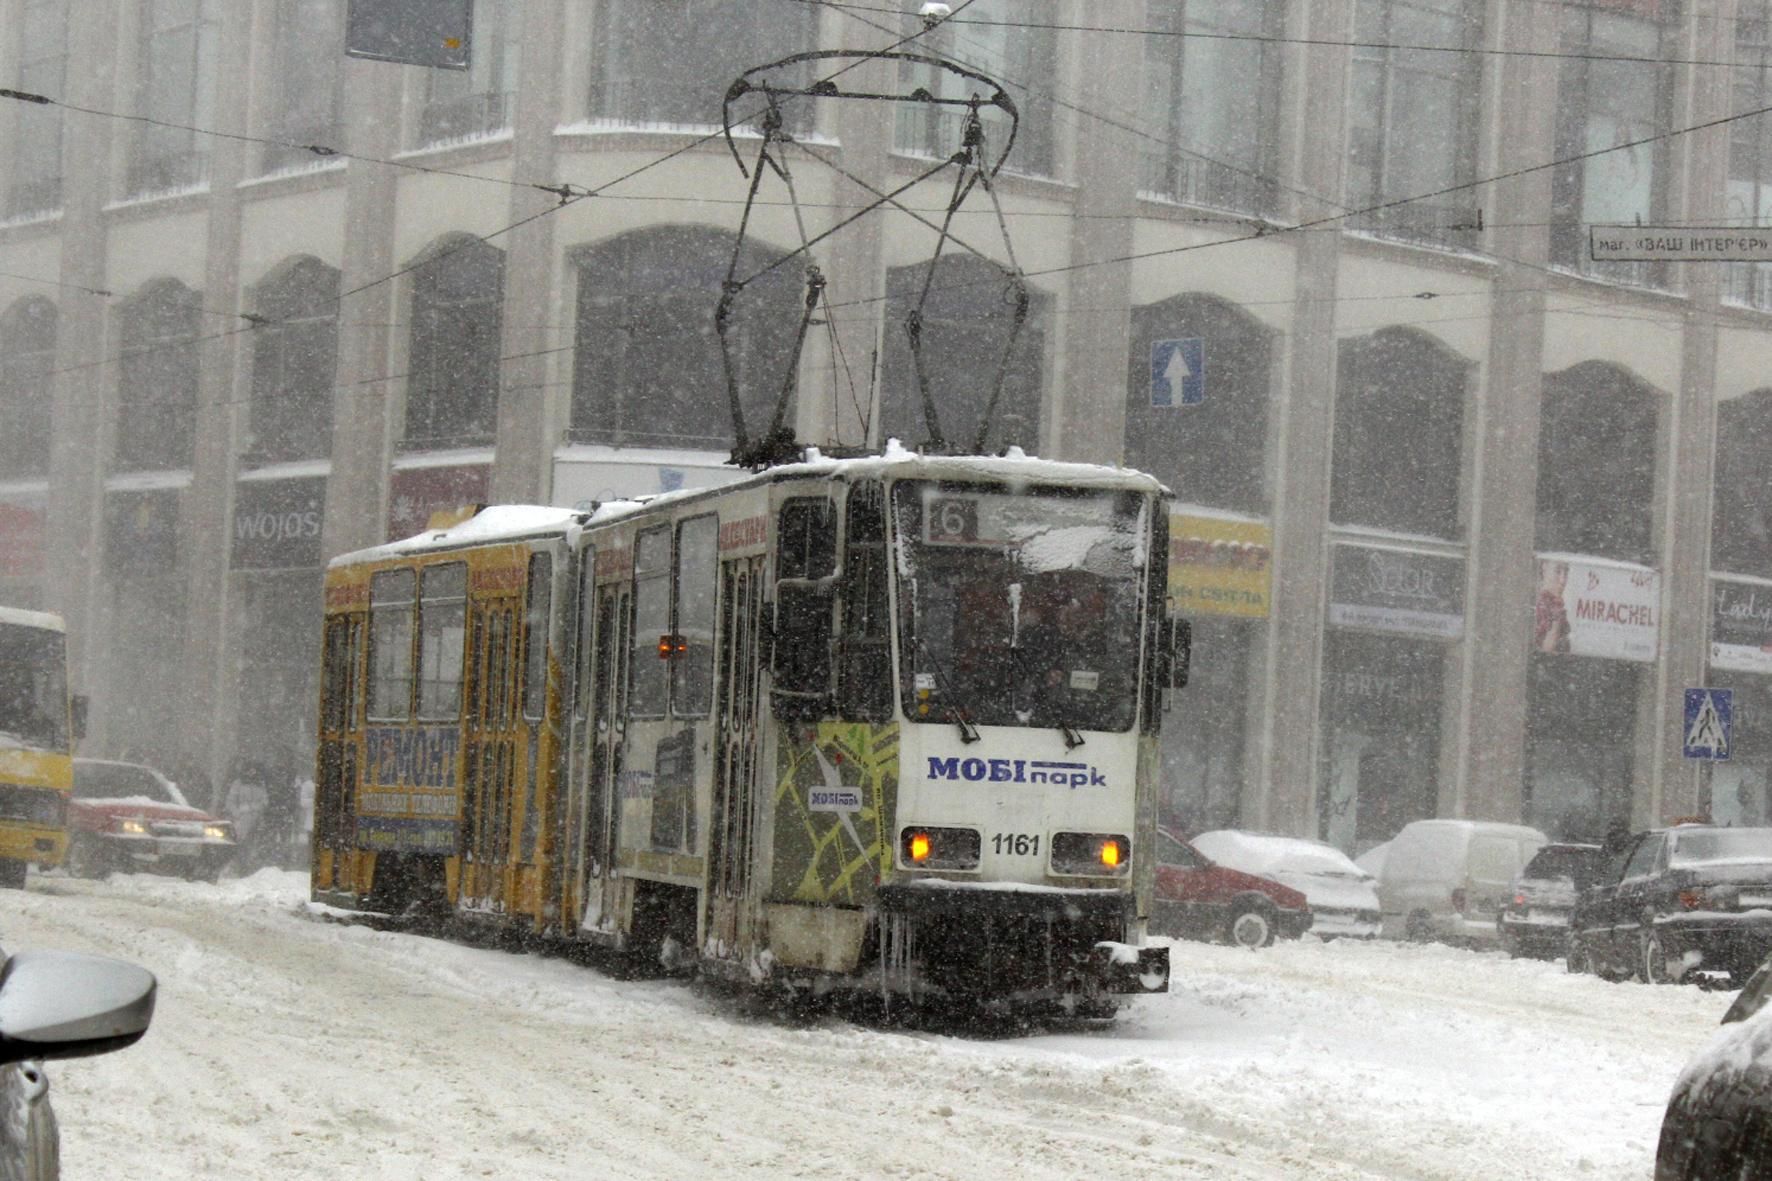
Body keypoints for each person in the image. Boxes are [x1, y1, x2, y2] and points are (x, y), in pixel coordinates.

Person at [222, 758, 271, 874]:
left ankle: (249, 866)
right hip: (241, 819)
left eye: (254, 770)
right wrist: (237, 813)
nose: (251, 772)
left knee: (253, 843)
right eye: (249, 770)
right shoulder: (238, 783)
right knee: (240, 842)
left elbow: (265, 801)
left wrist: (254, 808)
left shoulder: (260, 784)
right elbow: (230, 801)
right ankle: (238, 865)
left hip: (257, 818)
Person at [1534, 561, 1571, 654]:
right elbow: (1546, 649)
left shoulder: (1556, 605)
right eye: (1558, 571)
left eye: (1566, 573)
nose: (1562, 580)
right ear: (1544, 568)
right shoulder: (1542, 607)